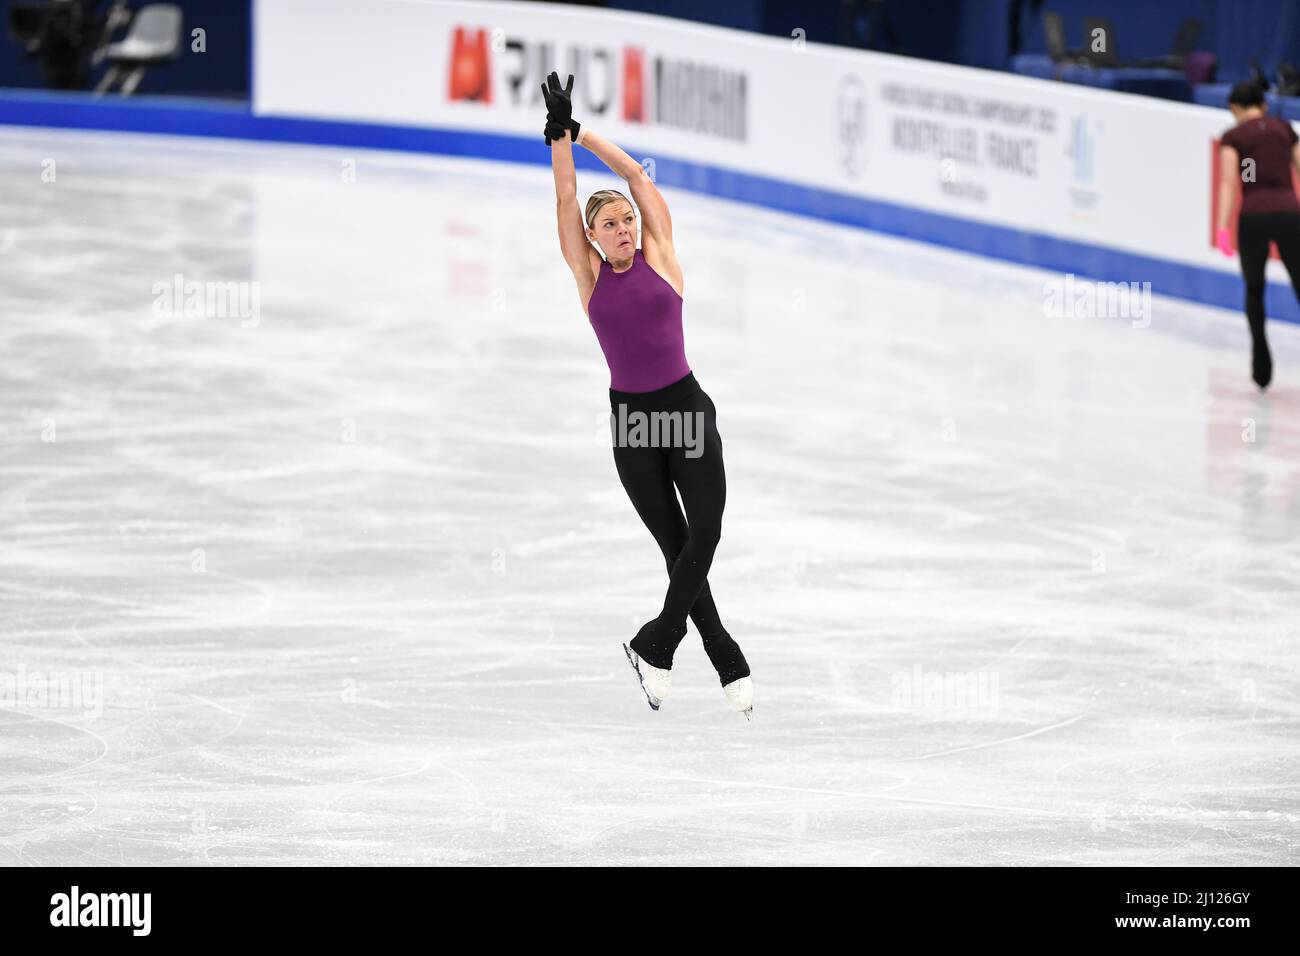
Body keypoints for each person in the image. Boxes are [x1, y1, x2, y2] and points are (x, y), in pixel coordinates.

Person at [541, 72, 752, 718]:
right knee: (675, 543)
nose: (625, 227)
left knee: (706, 531)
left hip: (686, 411)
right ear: (595, 237)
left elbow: (635, 176)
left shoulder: (661, 253)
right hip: (633, 425)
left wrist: (580, 133)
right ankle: (719, 652)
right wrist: (557, 147)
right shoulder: (588, 275)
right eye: (610, 224)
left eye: (628, 220)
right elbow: (565, 199)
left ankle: (661, 640)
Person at [1215, 80, 1300, 389]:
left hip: (1254, 216)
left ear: (1235, 109)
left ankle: (1261, 363)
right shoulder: (1283, 129)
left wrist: (1223, 227)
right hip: (1290, 214)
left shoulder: (1235, 137)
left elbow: (1230, 181)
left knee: (1254, 289)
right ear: (1264, 105)